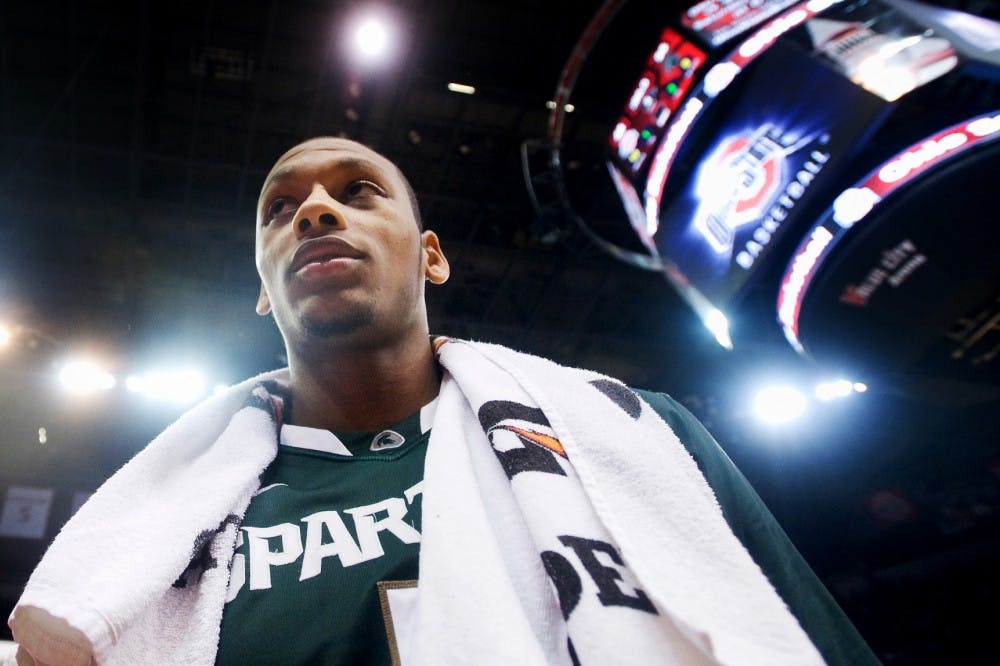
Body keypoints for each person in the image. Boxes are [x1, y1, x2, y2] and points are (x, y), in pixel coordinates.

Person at [7, 137, 879, 666]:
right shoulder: (174, 535)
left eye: (357, 193)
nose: (313, 211)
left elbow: (807, 644)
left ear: (431, 257)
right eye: (281, 209)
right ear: (265, 291)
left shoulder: (636, 431)